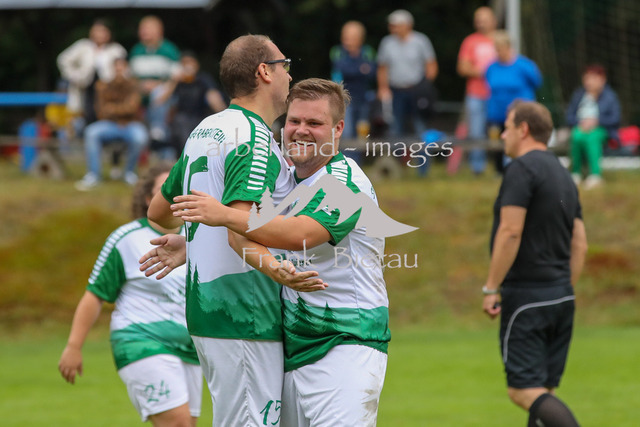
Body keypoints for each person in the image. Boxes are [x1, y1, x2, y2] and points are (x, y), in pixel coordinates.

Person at [145, 78, 391, 426]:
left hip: (345, 344)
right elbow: (263, 231)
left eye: (314, 123)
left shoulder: (346, 183)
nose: (301, 130)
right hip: (292, 348)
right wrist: (192, 244)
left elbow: (299, 234)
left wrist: (223, 214)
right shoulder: (287, 179)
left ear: (338, 130)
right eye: (294, 121)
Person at [147, 35, 327, 426]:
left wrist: (193, 241)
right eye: (285, 65)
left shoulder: (205, 129)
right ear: (265, 72)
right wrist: (279, 270)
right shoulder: (255, 138)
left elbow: (159, 211)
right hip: (243, 310)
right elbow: (238, 231)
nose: (290, 75)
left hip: (209, 310)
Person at [59, 163, 202, 426]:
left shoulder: (199, 237)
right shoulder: (126, 238)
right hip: (141, 340)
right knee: (178, 423)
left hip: (191, 348)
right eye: (165, 190)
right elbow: (95, 294)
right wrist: (73, 347)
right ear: (149, 199)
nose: (173, 195)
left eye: (179, 189)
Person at [481, 101, 587, 427]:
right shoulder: (564, 174)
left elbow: (510, 231)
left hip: (528, 297)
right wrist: (562, 286)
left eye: (507, 127)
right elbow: (580, 243)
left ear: (524, 129)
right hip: (561, 296)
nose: (503, 135)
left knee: (523, 390)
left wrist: (491, 287)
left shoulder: (521, 169)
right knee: (544, 393)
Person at [75, 57, 149, 191]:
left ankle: (129, 173)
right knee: (91, 132)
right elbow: (101, 111)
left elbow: (132, 108)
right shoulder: (103, 86)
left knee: (140, 137)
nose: (119, 72)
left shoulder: (134, 85)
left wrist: (113, 109)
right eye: (117, 69)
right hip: (110, 124)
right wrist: (122, 109)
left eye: (122, 68)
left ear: (127, 69)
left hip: (130, 124)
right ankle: (93, 175)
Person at [485, 31, 542, 174]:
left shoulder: (525, 66)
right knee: (498, 143)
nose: (498, 52)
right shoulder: (491, 67)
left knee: (520, 141)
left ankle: (524, 169)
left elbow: (537, 82)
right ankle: (499, 171)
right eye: (496, 49)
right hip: (497, 113)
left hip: (519, 114)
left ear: (508, 47)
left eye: (501, 48)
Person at [377, 9, 438, 139]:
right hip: (395, 91)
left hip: (417, 90)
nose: (392, 28)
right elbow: (382, 68)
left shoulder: (421, 41)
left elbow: (431, 65)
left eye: (395, 25)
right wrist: (383, 88)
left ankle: (422, 152)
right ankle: (397, 152)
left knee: (420, 125)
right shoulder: (387, 43)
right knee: (395, 127)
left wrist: (425, 86)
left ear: (407, 25)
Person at [57, 19, 127, 130]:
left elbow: (124, 70)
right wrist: (74, 76)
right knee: (82, 122)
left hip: (107, 93)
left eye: (103, 31)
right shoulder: (83, 46)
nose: (99, 34)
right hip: (84, 91)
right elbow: (63, 60)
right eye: (97, 31)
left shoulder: (116, 49)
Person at [158, 51, 227, 160]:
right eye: (184, 63)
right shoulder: (177, 82)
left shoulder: (203, 80)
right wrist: (174, 82)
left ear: (196, 65)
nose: (188, 66)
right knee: (181, 123)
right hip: (180, 120)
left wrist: (225, 115)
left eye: (190, 62)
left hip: (199, 117)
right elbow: (160, 101)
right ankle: (187, 157)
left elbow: (214, 98)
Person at [129, 15, 181, 158]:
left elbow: (176, 78)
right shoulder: (136, 51)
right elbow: (131, 78)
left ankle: (157, 128)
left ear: (159, 31)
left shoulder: (169, 50)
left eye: (147, 29)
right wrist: (141, 86)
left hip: (164, 99)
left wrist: (158, 88)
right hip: (140, 98)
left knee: (158, 93)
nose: (143, 32)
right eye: (141, 29)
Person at [457, 6, 498, 174]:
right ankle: (477, 168)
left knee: (499, 131)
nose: (481, 23)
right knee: (476, 131)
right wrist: (487, 72)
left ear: (493, 21)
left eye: (484, 20)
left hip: (498, 95)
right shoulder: (470, 41)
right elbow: (462, 67)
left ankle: (500, 166)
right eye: (478, 20)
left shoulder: (500, 39)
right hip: (476, 94)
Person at [566, 64, 621, 189]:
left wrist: (597, 122)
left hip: (603, 130)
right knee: (576, 135)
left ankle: (595, 175)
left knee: (592, 137)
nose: (589, 82)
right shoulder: (578, 95)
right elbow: (569, 116)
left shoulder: (610, 96)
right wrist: (581, 122)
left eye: (593, 78)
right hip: (581, 128)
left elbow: (615, 119)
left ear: (602, 79)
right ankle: (576, 173)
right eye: (587, 78)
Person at [330, 21, 377, 143]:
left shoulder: (368, 52)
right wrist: (361, 69)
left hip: (364, 97)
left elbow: (372, 73)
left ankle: (359, 154)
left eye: (351, 38)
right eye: (345, 37)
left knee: (363, 132)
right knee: (347, 131)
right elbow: (342, 69)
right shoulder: (337, 52)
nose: (346, 41)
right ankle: (348, 154)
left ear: (360, 39)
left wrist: (354, 70)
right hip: (345, 98)